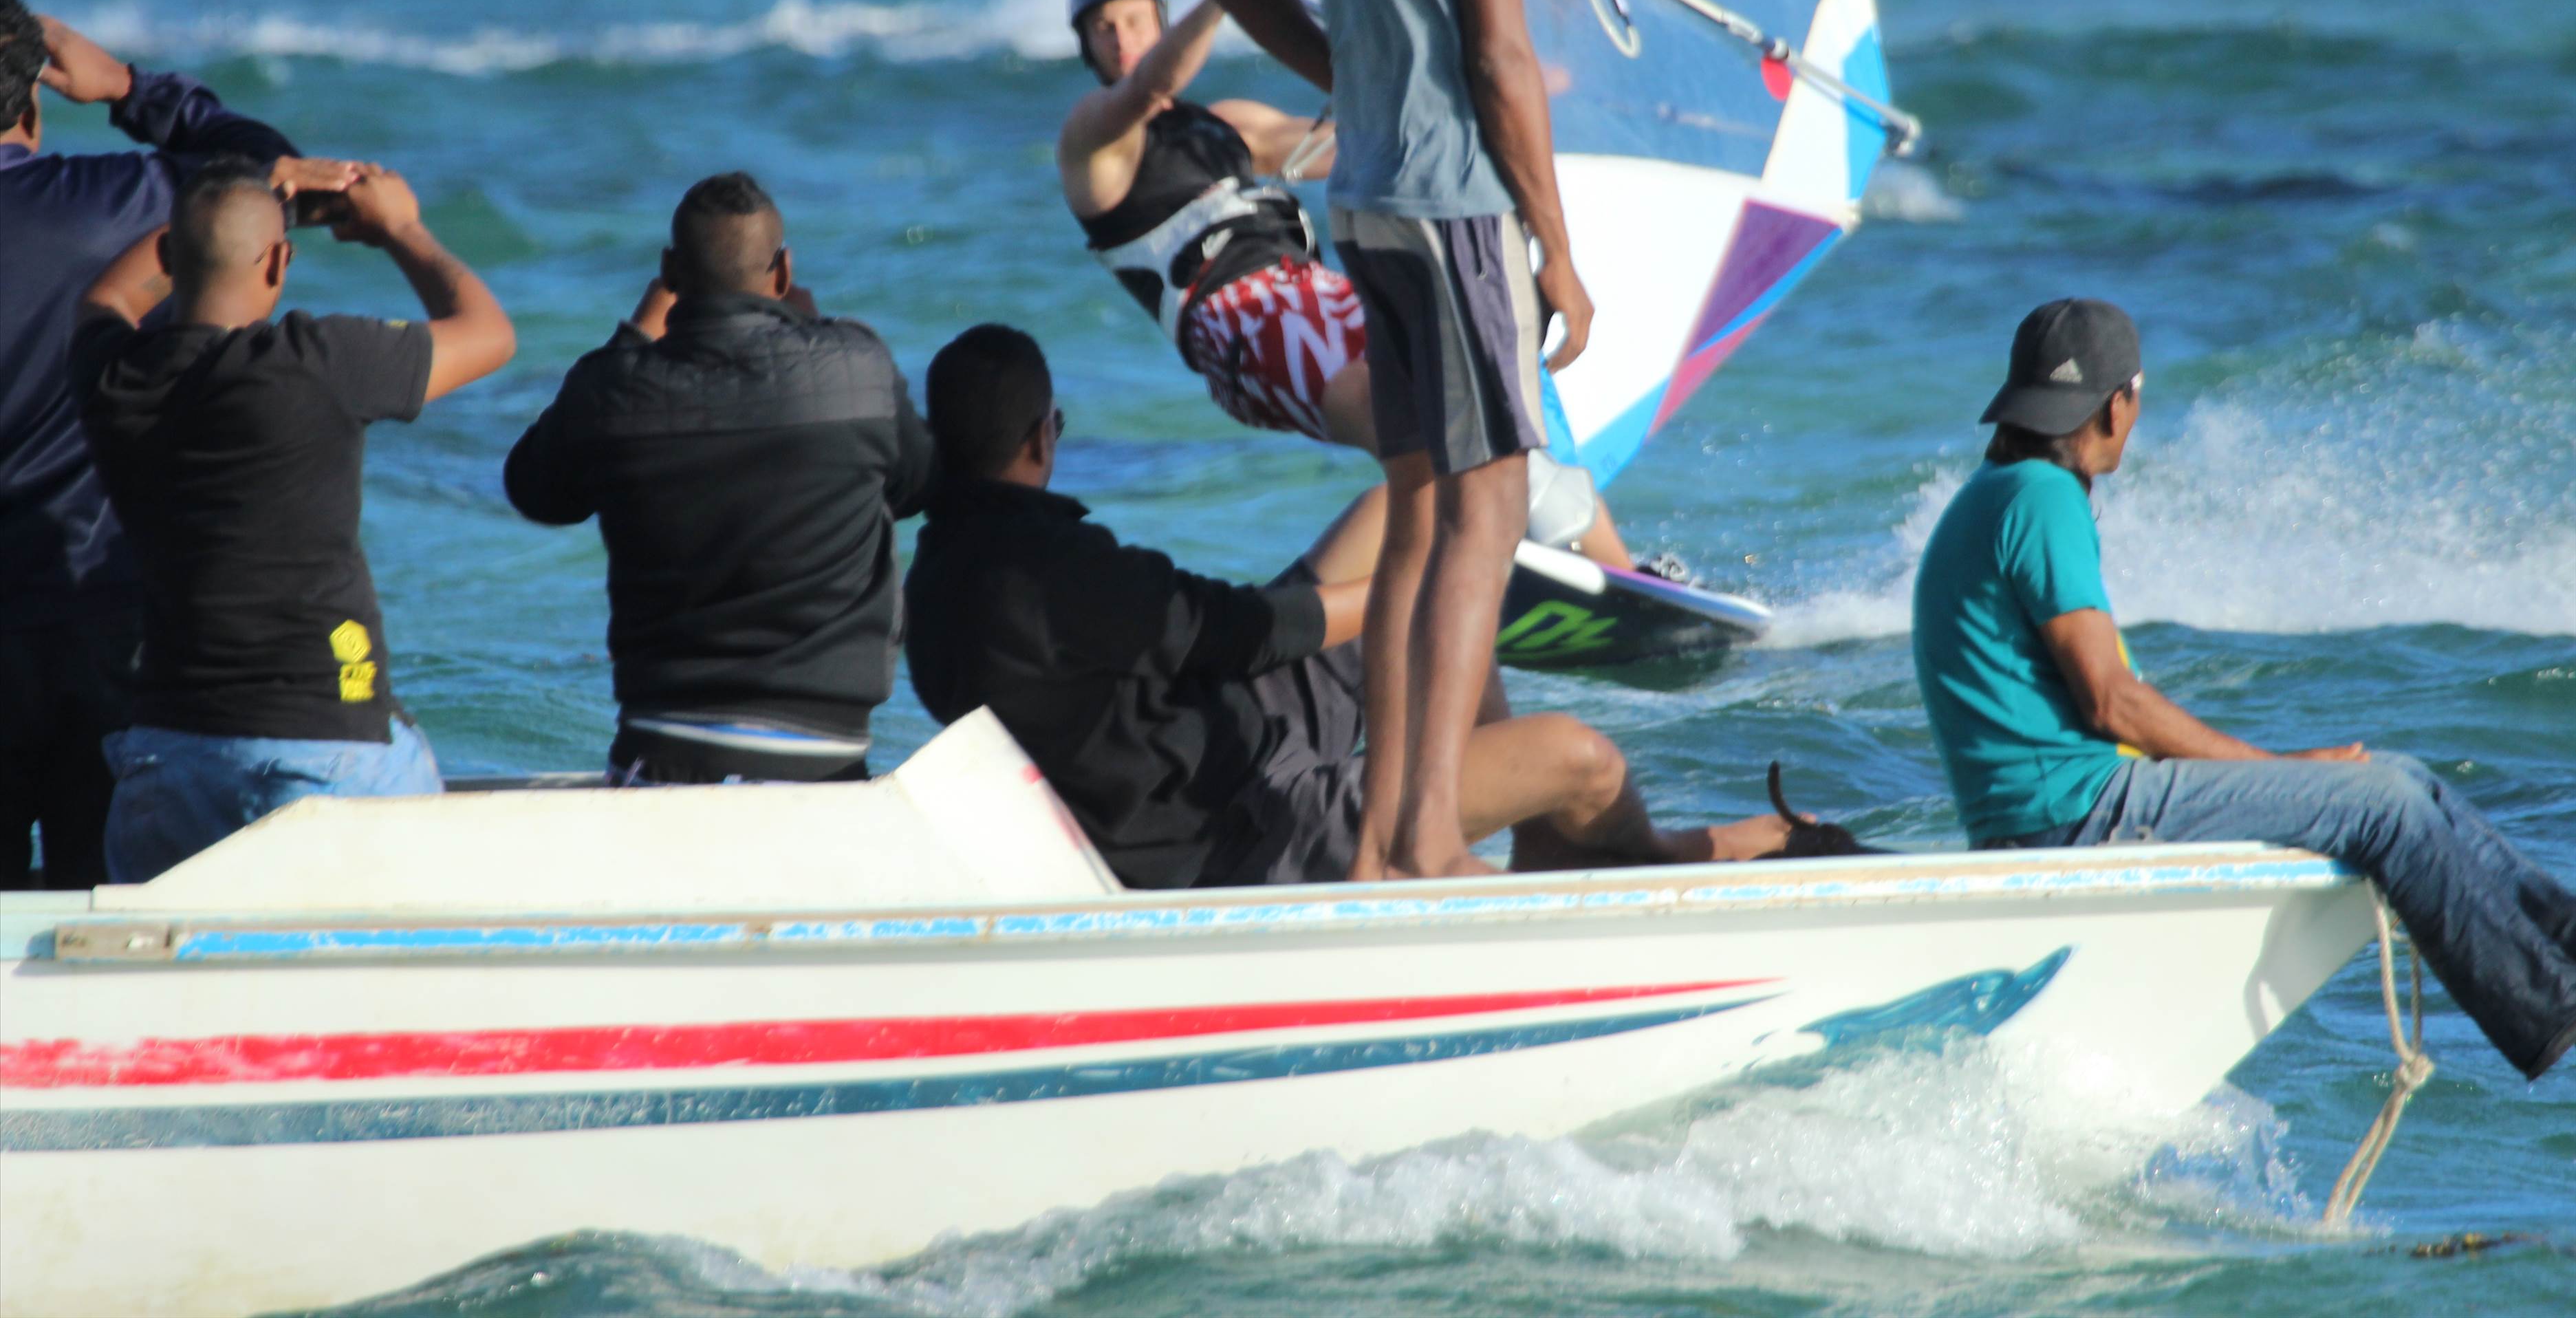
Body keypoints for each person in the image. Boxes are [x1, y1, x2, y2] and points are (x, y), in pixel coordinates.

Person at [1912, 297, 2576, 1079]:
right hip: (2075, 815)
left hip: (2050, 811)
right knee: (2385, 807)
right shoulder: (2042, 498)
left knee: (2399, 777)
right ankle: (2548, 1007)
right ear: (2119, 403)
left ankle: (2562, 942)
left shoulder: (1990, 493)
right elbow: (2111, 702)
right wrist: (2277, 768)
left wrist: (2289, 776)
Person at [902, 325, 1788, 890]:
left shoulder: (939, 580)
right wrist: (1428, 587)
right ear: (1042, 438)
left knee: (1405, 517)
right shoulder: (1061, 572)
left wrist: (1428, 576)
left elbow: (1205, 644)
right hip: (1245, 826)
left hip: (1218, 737)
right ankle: (1631, 850)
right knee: (1583, 761)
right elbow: (1246, 632)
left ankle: (1520, 816)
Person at [1198, 0, 1580, 878]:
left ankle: (1378, 842)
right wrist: (1558, 249)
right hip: (1454, 206)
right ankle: (1426, 833)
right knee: (1491, 507)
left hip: (1363, 205)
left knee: (1422, 505)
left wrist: (1349, 81)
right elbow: (1500, 54)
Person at [1058, 0, 1632, 564]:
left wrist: (1484, 90)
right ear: (1086, 47)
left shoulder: (1226, 124)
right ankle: (1367, 585)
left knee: (1486, 377)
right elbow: (1150, 86)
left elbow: (1371, 138)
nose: (1121, 40)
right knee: (1416, 441)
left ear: (1160, 23)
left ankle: (1627, 576)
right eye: (1103, 28)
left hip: (1319, 290)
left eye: (1135, 22)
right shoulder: (1091, 140)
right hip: (1238, 319)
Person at [70, 158, 516, 881]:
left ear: (173, 256)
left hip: (167, 755)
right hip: (323, 745)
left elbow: (108, 293)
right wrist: (400, 229)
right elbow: (489, 333)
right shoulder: (317, 362)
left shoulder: (112, 372)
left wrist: (242, 201)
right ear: (279, 262)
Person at [0, 0, 312, 889]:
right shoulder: (116, 205)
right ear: (32, 104)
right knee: (105, 898)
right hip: (102, 613)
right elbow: (260, 177)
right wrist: (131, 89)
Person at [505, 173, 935, 784]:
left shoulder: (610, 389)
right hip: (825, 755)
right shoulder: (860, 368)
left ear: (669, 272)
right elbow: (918, 483)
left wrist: (631, 338)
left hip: (664, 745)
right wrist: (816, 339)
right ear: (783, 272)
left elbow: (535, 491)